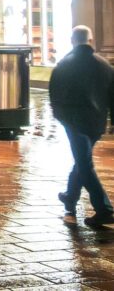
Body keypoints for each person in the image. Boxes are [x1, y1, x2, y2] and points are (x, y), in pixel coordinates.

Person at [50, 25, 114, 228]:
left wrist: (61, 117)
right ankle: (70, 196)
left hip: (74, 121)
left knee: (84, 163)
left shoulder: (64, 65)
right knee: (82, 159)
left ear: (72, 40)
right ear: (91, 40)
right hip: (96, 122)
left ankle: (104, 209)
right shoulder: (105, 66)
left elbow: (55, 95)